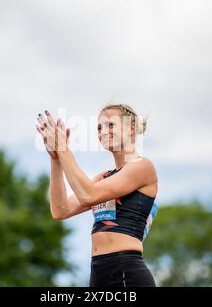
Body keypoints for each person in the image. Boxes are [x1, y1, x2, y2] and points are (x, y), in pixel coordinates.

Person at [35, 103, 158, 287]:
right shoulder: (104, 177)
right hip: (98, 272)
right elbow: (60, 210)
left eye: (111, 125)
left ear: (131, 128)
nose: (103, 131)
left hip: (126, 270)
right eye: (99, 127)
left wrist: (63, 149)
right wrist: (56, 159)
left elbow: (88, 195)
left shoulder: (142, 167)